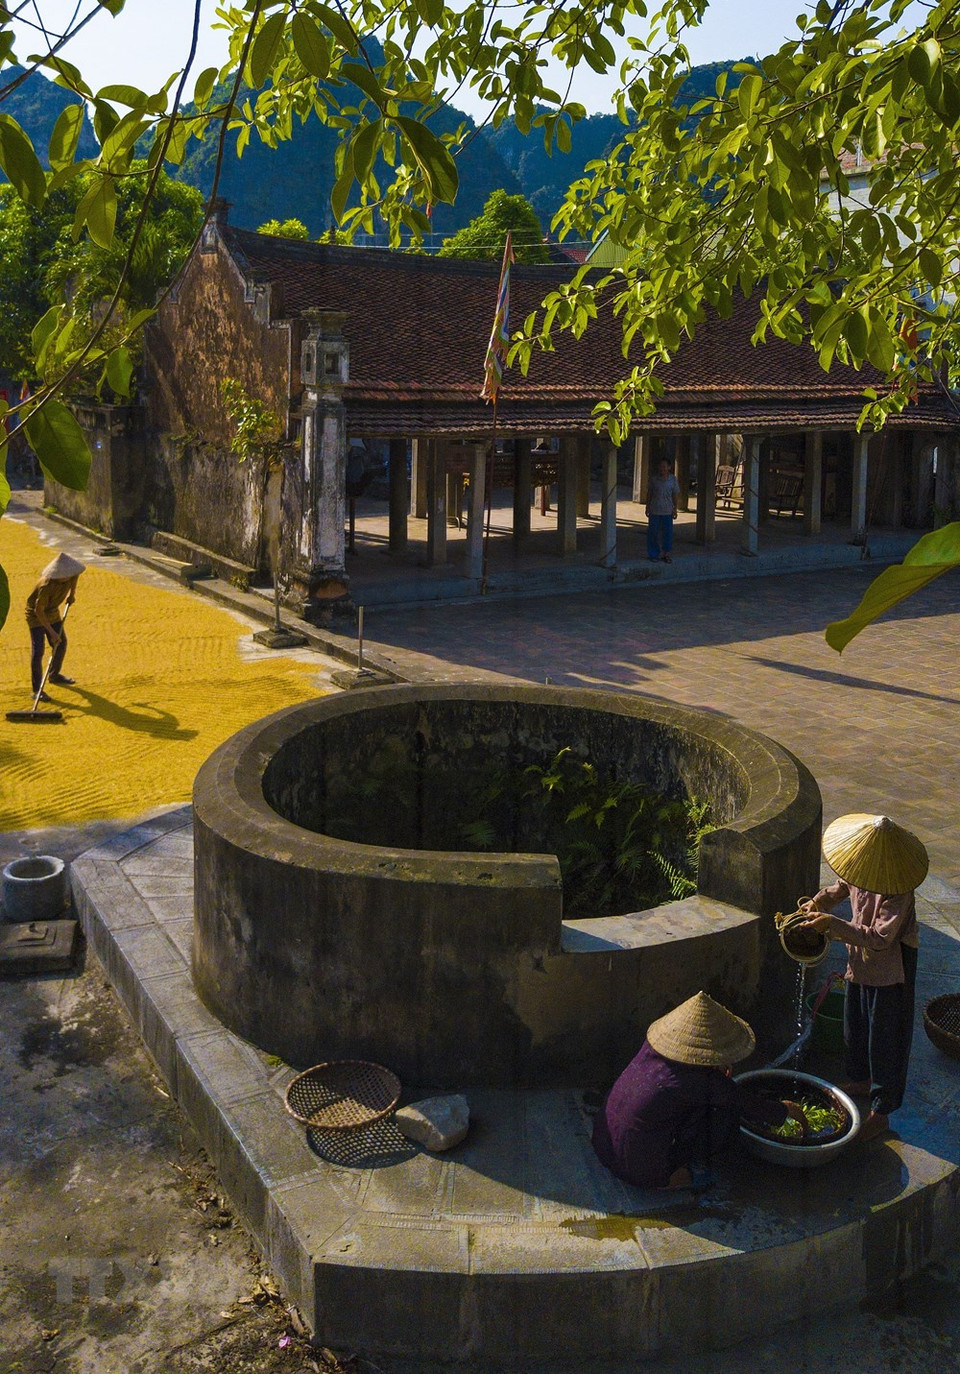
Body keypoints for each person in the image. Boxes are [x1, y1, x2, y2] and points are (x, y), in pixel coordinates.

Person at [591, 990, 808, 1190]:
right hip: (639, 1170)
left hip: (605, 1146)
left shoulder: (651, 1050)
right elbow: (748, 1104)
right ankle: (690, 1173)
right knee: (723, 1115)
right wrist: (787, 1110)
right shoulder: (700, 1081)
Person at [800, 813, 928, 1143]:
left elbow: (881, 938)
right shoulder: (861, 871)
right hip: (860, 963)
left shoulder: (899, 891)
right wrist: (816, 902)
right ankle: (859, 1079)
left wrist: (832, 925)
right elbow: (840, 888)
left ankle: (881, 1111)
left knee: (884, 1039)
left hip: (889, 971)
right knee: (854, 1026)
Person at [25, 551, 85, 701]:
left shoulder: (70, 575)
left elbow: (76, 576)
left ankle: (54, 674)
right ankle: (37, 690)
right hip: (36, 615)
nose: (69, 577)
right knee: (38, 651)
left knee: (61, 643)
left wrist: (72, 594)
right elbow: (39, 611)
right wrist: (52, 633)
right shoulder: (46, 586)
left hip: (52, 611)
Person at [645, 457, 680, 563]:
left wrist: (675, 508)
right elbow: (649, 493)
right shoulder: (654, 479)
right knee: (653, 533)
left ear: (669, 467)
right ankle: (653, 553)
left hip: (667, 510)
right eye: (660, 466)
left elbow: (675, 495)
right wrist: (647, 506)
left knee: (667, 533)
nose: (662, 469)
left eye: (664, 466)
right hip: (655, 509)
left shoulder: (673, 480)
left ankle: (666, 553)